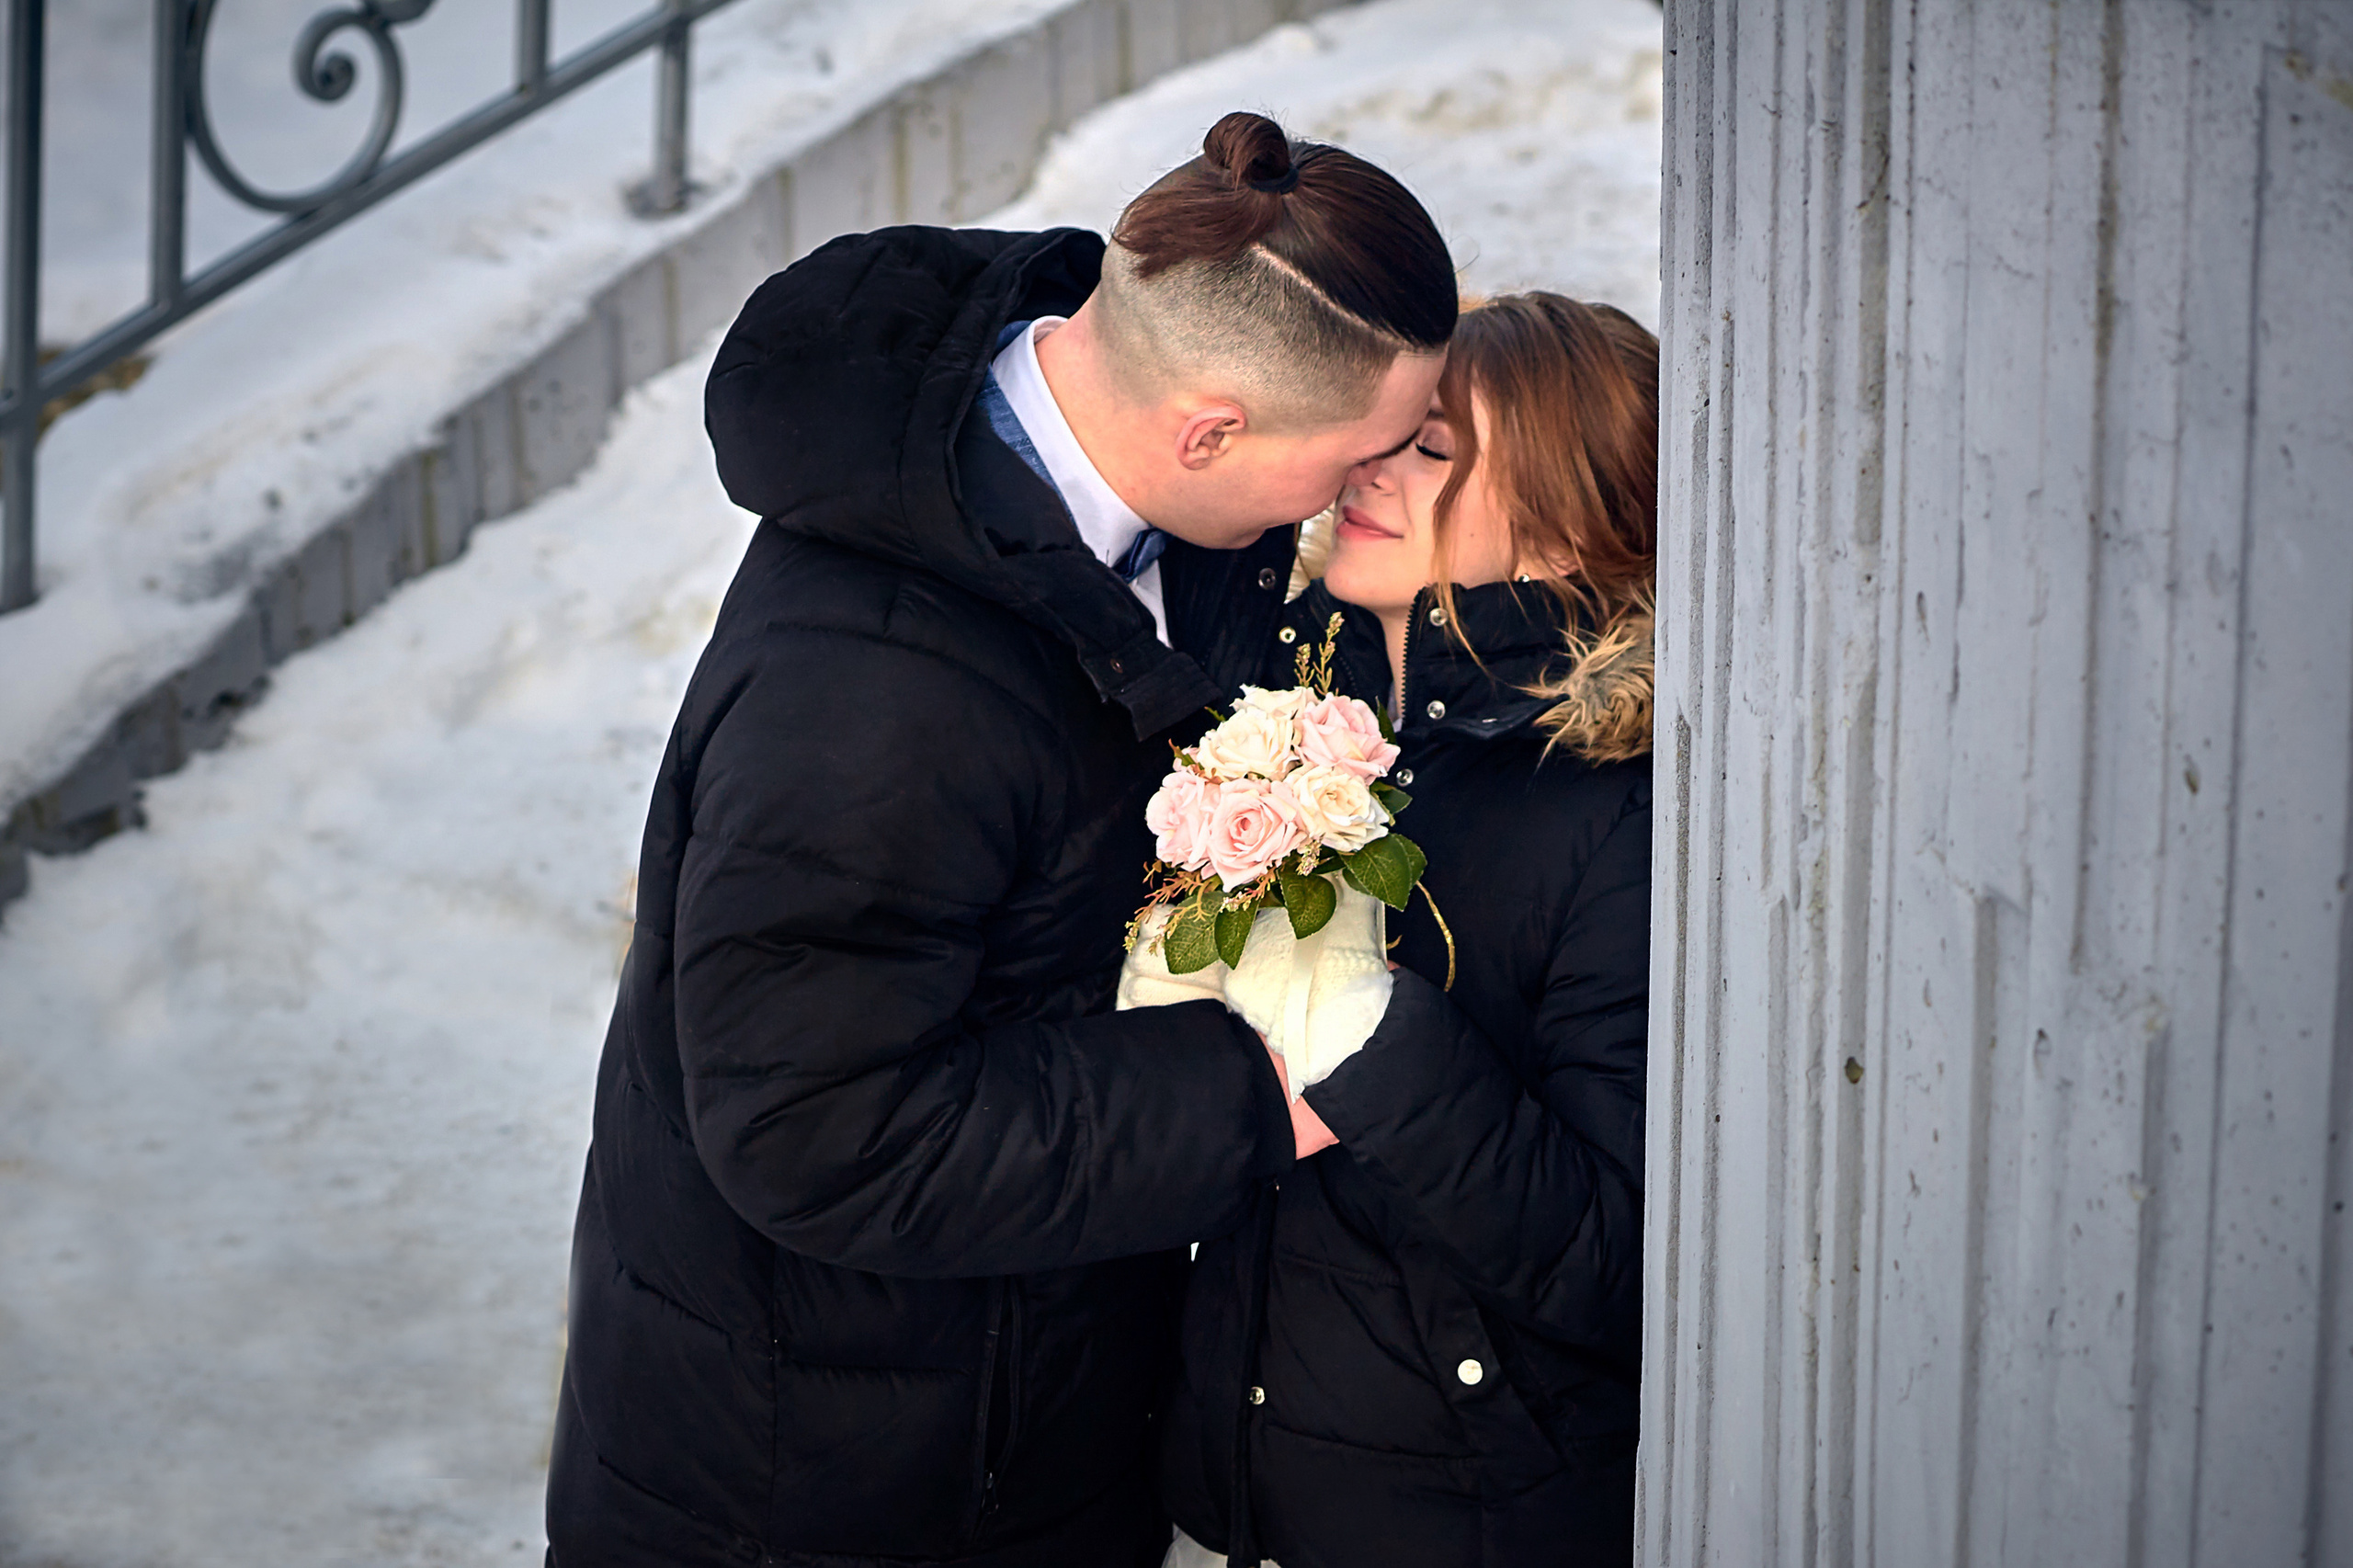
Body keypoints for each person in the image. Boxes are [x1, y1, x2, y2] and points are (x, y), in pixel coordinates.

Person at [544, 114, 1458, 1567]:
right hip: (825, 1483)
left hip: (1030, 1391)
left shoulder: (1154, 488)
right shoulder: (872, 700)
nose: (1371, 486)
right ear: (1211, 428)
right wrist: (1244, 1100)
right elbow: (811, 1130)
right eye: (1362, 453)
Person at [1158, 293, 1659, 1568]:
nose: (1365, 467)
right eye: (1381, 431)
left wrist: (1371, 1040)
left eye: (1429, 450)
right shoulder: (1289, 725)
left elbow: (1623, 1267)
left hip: (1463, 1518)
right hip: (1229, 1490)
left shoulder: (1617, 806)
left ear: (1564, 529)